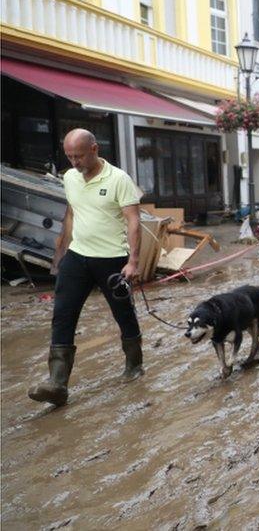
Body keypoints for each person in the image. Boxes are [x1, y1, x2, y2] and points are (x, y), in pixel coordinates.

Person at [28, 129, 144, 407]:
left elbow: (133, 221)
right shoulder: (69, 177)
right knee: (62, 314)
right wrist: (61, 251)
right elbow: (71, 213)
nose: (74, 162)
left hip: (112, 259)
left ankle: (134, 364)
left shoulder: (119, 179)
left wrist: (133, 261)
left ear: (95, 148)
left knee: (123, 314)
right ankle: (57, 383)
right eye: (69, 156)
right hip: (77, 257)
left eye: (78, 156)